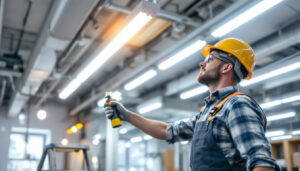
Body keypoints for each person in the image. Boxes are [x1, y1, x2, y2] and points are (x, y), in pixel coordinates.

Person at [105, 38, 280, 171]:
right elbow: (167, 131)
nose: (202, 63)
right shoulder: (210, 111)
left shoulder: (237, 104)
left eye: (210, 59)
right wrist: (127, 116)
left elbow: (261, 161)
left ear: (226, 68)